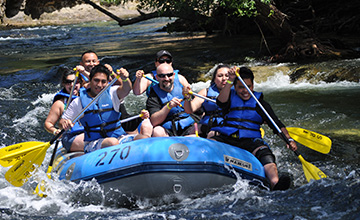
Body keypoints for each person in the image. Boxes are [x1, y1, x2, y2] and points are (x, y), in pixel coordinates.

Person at [210, 66, 297, 190]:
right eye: (241, 87)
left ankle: (275, 183)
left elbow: (276, 124)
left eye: (248, 87)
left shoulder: (260, 104)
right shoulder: (229, 96)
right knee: (210, 143)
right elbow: (220, 102)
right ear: (235, 87)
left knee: (266, 154)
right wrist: (230, 80)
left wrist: (288, 139)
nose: (245, 91)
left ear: (253, 86)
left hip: (250, 140)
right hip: (227, 138)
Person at [60, 64, 150, 153]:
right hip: (93, 143)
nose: (99, 85)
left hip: (119, 137)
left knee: (143, 138)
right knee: (112, 142)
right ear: (90, 80)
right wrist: (65, 123)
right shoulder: (78, 102)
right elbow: (62, 122)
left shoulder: (112, 93)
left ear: (107, 83)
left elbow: (126, 89)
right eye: (96, 80)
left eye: (103, 82)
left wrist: (125, 79)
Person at [146, 63, 201, 137]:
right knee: (157, 131)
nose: (166, 78)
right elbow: (154, 121)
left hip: (189, 124)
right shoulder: (153, 96)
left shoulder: (183, 88)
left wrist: (188, 98)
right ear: (157, 77)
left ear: (174, 75)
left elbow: (195, 110)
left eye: (169, 75)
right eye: (162, 76)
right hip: (169, 128)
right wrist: (168, 107)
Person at [182, 64, 230, 138]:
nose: (224, 78)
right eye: (220, 76)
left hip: (225, 129)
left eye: (227, 76)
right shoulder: (205, 92)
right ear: (214, 79)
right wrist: (187, 98)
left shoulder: (236, 93)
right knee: (188, 137)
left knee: (212, 135)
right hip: (206, 128)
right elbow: (189, 110)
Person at [44, 68, 84, 152]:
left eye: (76, 82)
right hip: (71, 136)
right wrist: (55, 131)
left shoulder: (87, 97)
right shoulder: (60, 103)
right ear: (63, 84)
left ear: (80, 83)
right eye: (68, 82)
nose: (72, 85)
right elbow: (48, 123)